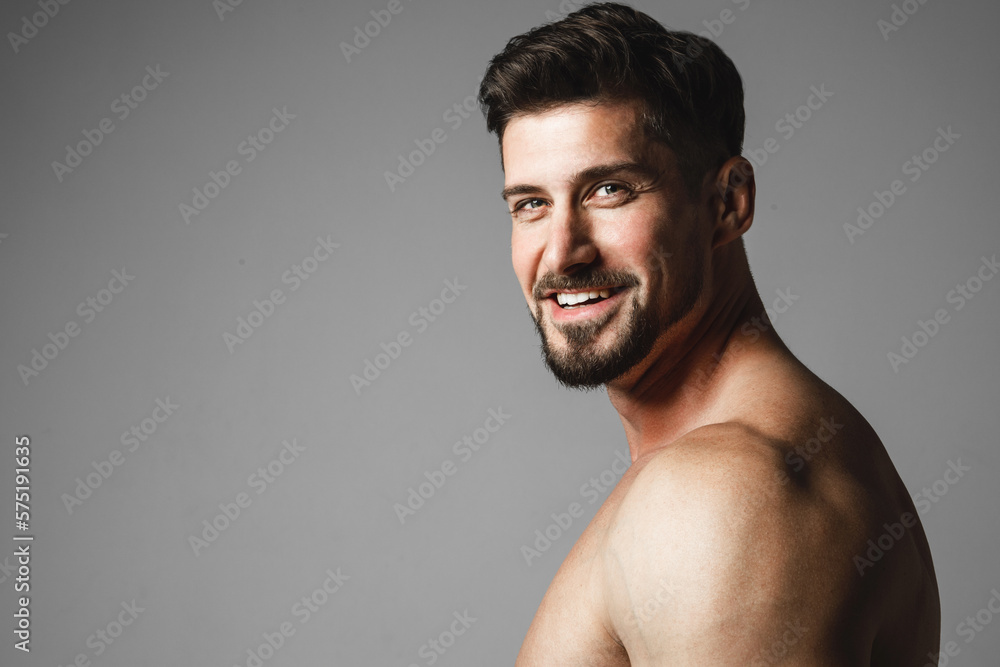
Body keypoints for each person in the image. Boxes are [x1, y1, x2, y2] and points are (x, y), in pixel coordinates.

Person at [477, 3, 940, 664]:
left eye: (609, 190)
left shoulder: (722, 498)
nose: (562, 252)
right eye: (531, 203)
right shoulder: (743, 464)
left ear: (728, 202)